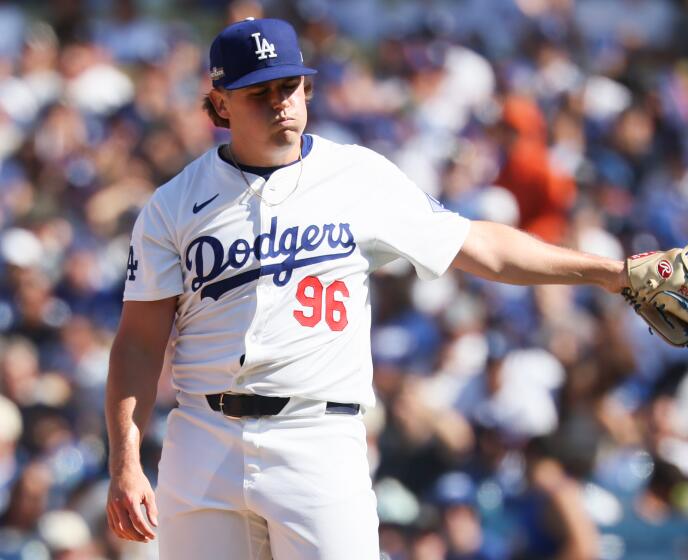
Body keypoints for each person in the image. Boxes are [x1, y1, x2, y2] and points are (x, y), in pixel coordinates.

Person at [104, 17, 627, 559]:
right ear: (220, 105)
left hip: (318, 437)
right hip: (203, 438)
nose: (280, 103)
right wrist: (125, 460)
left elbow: (481, 247)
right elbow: (139, 343)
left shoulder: (358, 177)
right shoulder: (172, 205)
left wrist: (615, 273)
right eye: (259, 92)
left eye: (290, 87)